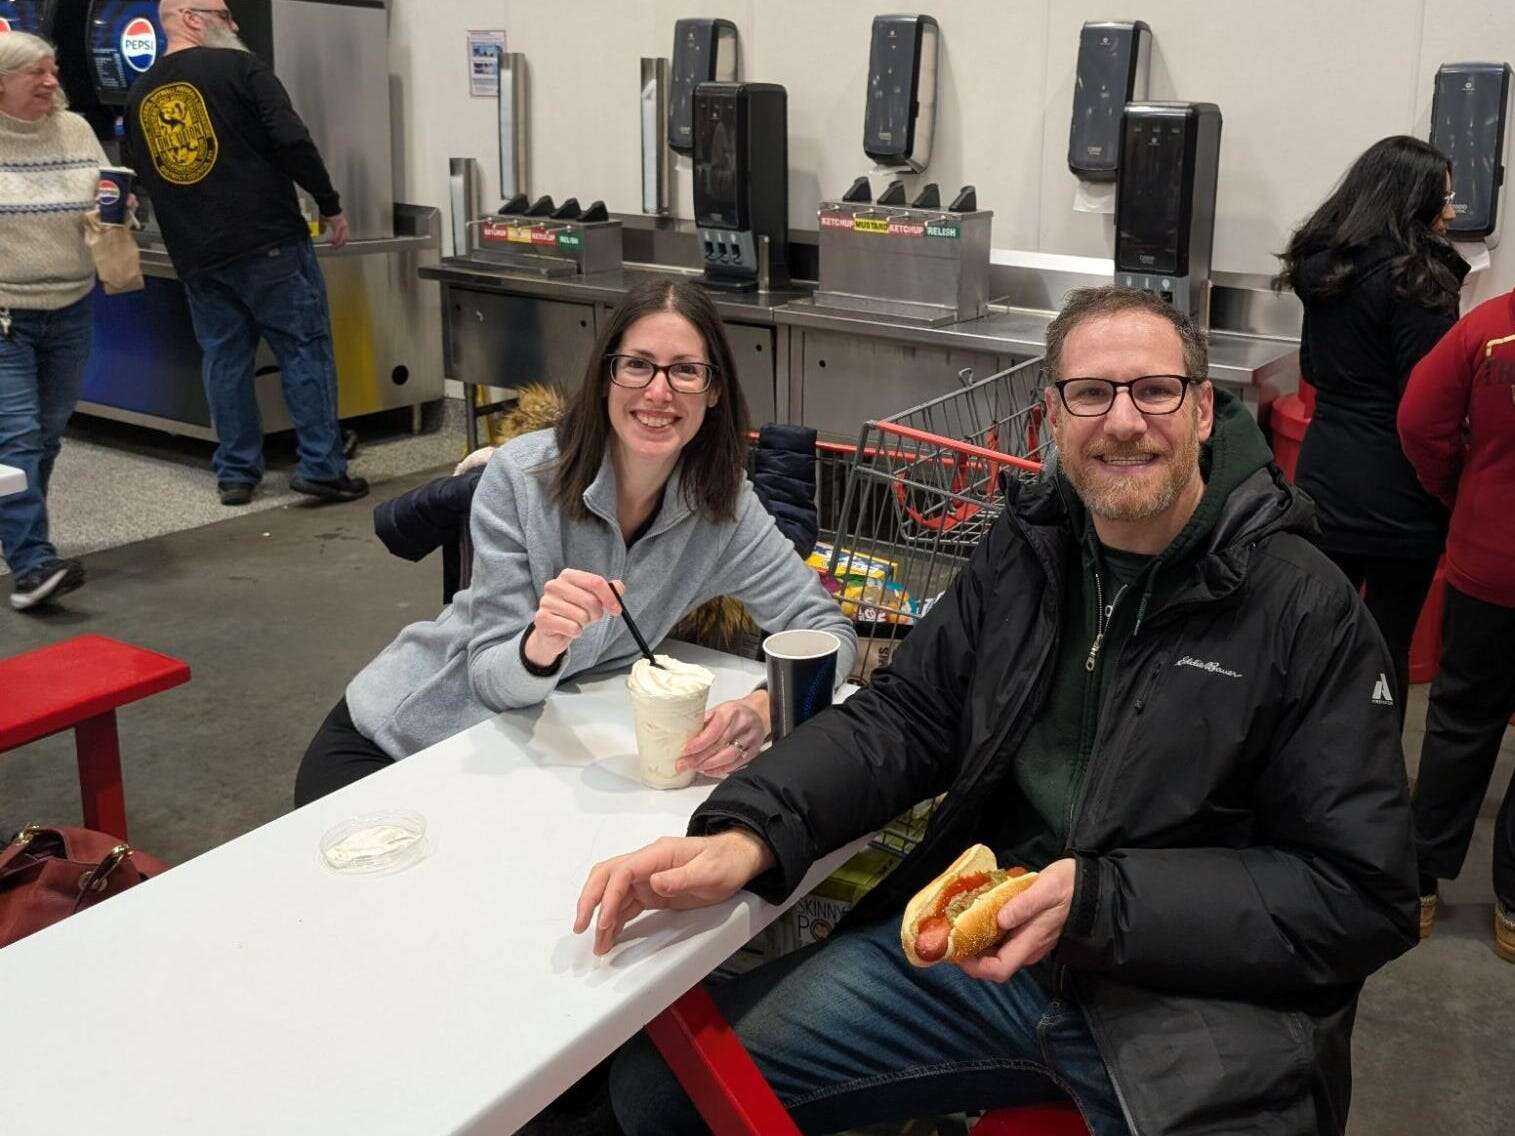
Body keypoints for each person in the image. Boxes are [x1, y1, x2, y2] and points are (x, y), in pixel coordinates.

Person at [574, 287, 1419, 1136]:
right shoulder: (1028, 552)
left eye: (1153, 390)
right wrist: (749, 830)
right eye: (1090, 393)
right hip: (986, 966)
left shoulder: (1303, 608)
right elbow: (905, 715)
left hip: (1192, 1013)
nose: (1123, 421)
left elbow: (1358, 893)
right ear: (1050, 418)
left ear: (1203, 410)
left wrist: (1099, 902)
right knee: (661, 1086)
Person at [294, 278, 856, 805]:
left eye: (685, 371)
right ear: (606, 377)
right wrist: (542, 642)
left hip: (528, 756)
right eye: (637, 366)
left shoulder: (722, 506)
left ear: (714, 392)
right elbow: (490, 676)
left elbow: (828, 631)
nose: (659, 393)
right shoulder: (522, 476)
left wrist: (765, 706)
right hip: (400, 740)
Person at [121, 0, 366, 507]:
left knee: (225, 359)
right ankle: (322, 466)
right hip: (268, 240)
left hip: (197, 254)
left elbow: (139, 175)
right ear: (191, 17)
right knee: (304, 349)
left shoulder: (140, 93)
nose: (234, 26)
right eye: (226, 15)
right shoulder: (241, 68)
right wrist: (330, 204)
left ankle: (236, 474)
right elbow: (291, 138)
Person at [1272, 134, 1466, 712]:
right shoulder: (1420, 279)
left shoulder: (1323, 267)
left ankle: (1298, 773)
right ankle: (1370, 777)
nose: (1452, 213)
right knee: (1385, 649)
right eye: (1445, 200)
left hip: (1324, 470)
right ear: (1413, 201)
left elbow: (1313, 367)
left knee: (1311, 639)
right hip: (1397, 489)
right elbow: (1425, 405)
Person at [1397, 286, 1515, 961]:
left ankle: (1416, 886)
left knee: (1459, 721)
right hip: (1486, 558)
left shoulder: (1487, 330)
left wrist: (1455, 488)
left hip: (1487, 559)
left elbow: (1418, 421)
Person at [0, 32, 109, 611]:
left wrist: (119, 205)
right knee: (16, 435)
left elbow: (104, 194)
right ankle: (32, 562)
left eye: (53, 70)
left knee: (45, 434)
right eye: (35, 74)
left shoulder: (77, 130)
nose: (50, 82)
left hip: (71, 306)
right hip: (5, 314)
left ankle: (18, 536)